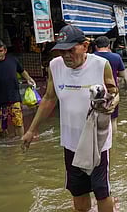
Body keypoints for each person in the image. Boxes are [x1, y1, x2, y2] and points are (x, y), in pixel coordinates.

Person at [22, 25, 117, 212]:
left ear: (85, 46)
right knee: (78, 190)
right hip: (71, 141)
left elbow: (113, 91)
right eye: (61, 51)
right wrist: (32, 130)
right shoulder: (55, 66)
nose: (66, 56)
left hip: (97, 141)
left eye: (70, 50)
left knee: (101, 190)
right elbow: (49, 98)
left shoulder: (100, 65)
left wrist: (111, 102)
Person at [94, 36, 126, 134]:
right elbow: (122, 74)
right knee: (113, 119)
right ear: (109, 45)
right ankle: (112, 143)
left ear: (96, 46)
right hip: (111, 91)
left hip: (94, 91)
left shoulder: (90, 57)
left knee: (93, 117)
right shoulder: (116, 57)